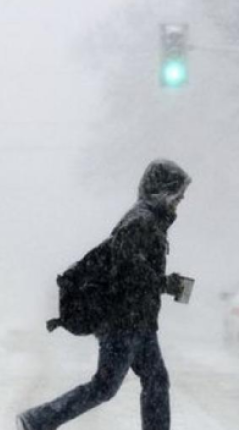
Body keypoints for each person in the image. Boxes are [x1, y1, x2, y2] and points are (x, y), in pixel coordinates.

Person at [16, 159, 192, 430]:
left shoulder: (150, 221)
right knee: (106, 386)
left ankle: (38, 420)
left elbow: (136, 269)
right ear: (161, 191)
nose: (180, 199)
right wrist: (164, 283)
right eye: (177, 194)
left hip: (139, 321)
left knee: (155, 381)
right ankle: (38, 419)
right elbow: (127, 272)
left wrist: (160, 284)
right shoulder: (140, 221)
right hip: (123, 321)